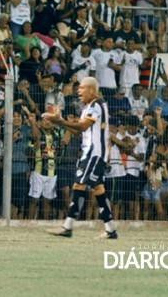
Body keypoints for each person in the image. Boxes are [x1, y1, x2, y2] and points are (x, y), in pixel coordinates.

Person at [45, 77, 118, 239]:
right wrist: (60, 122)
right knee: (98, 189)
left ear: (92, 90)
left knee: (79, 185)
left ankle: (68, 226)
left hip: (94, 152)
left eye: (82, 88)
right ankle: (111, 229)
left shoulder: (96, 105)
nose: (79, 91)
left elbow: (83, 126)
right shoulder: (89, 107)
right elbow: (78, 131)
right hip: (92, 153)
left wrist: (60, 120)